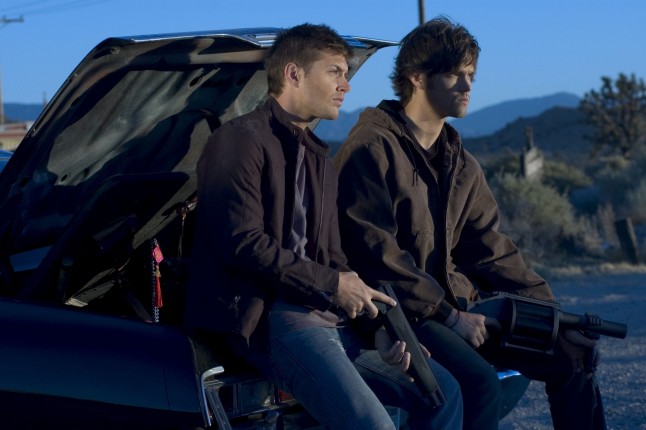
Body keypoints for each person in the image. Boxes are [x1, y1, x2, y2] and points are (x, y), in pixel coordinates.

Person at [183, 23, 463, 430]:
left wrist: (377, 329)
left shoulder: (318, 160)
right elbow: (243, 243)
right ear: (294, 74)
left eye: (346, 74)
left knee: (443, 392)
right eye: (335, 72)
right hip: (275, 319)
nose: (346, 86)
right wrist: (333, 285)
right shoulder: (240, 140)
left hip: (331, 320)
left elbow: (334, 258)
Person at [334, 17, 605, 430]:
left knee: (573, 354)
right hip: (402, 312)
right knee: (479, 383)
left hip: (458, 307)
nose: (467, 86)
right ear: (417, 77)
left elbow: (491, 250)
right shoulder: (371, 149)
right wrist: (449, 317)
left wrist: (557, 318)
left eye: (471, 75)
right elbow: (376, 255)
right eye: (454, 75)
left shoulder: (460, 163)